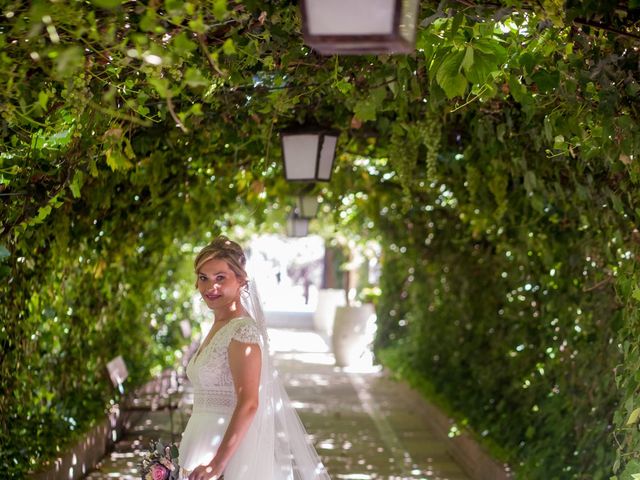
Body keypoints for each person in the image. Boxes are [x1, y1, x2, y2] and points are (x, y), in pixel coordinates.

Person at [178, 236, 331, 480]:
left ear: (240, 279)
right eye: (203, 278)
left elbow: (249, 403)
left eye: (220, 278)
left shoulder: (241, 331)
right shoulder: (220, 324)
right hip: (199, 438)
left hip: (225, 449)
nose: (210, 287)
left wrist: (216, 464)